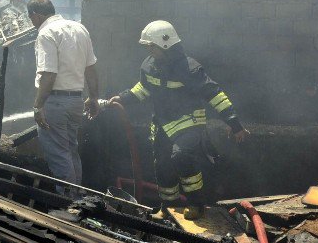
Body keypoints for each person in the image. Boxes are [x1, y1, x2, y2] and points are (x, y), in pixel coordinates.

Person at [107, 21, 249, 221]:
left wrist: (234, 123)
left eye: (152, 46)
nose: (149, 50)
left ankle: (196, 203)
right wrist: (123, 97)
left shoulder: (190, 69)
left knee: (181, 156)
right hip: (163, 124)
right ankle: (169, 207)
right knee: (163, 165)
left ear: (165, 45)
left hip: (189, 122)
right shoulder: (149, 65)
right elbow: (143, 89)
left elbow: (215, 95)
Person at [28, 0, 100, 192]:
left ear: (35, 15)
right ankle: (79, 198)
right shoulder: (79, 28)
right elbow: (91, 69)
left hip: (56, 103)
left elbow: (49, 74)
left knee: (59, 155)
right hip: (76, 100)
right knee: (70, 151)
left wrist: (38, 106)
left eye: (31, 18)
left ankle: (68, 204)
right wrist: (93, 97)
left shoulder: (45, 33)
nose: (32, 23)